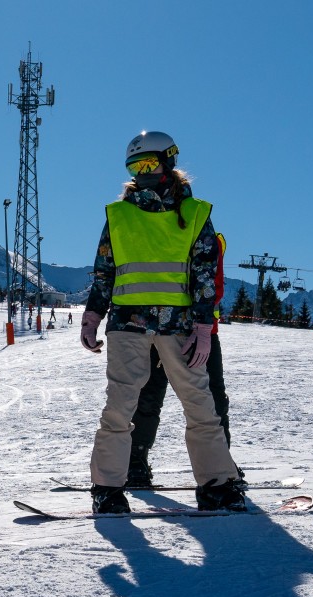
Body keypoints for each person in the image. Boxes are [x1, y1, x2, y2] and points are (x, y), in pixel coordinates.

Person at [80, 131, 243, 514]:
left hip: (179, 326)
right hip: (127, 324)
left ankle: (217, 485)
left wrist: (205, 328)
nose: (142, 173)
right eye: (135, 167)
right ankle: (107, 488)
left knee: (201, 405)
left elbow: (204, 274)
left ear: (169, 162)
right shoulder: (118, 215)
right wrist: (91, 317)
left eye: (149, 164)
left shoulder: (197, 212)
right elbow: (105, 272)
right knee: (120, 406)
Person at [127, 232, 237, 486]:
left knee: (210, 398)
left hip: (192, 331)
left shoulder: (205, 235)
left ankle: (221, 465)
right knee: (152, 394)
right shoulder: (161, 232)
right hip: (166, 329)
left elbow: (214, 284)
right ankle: (135, 462)